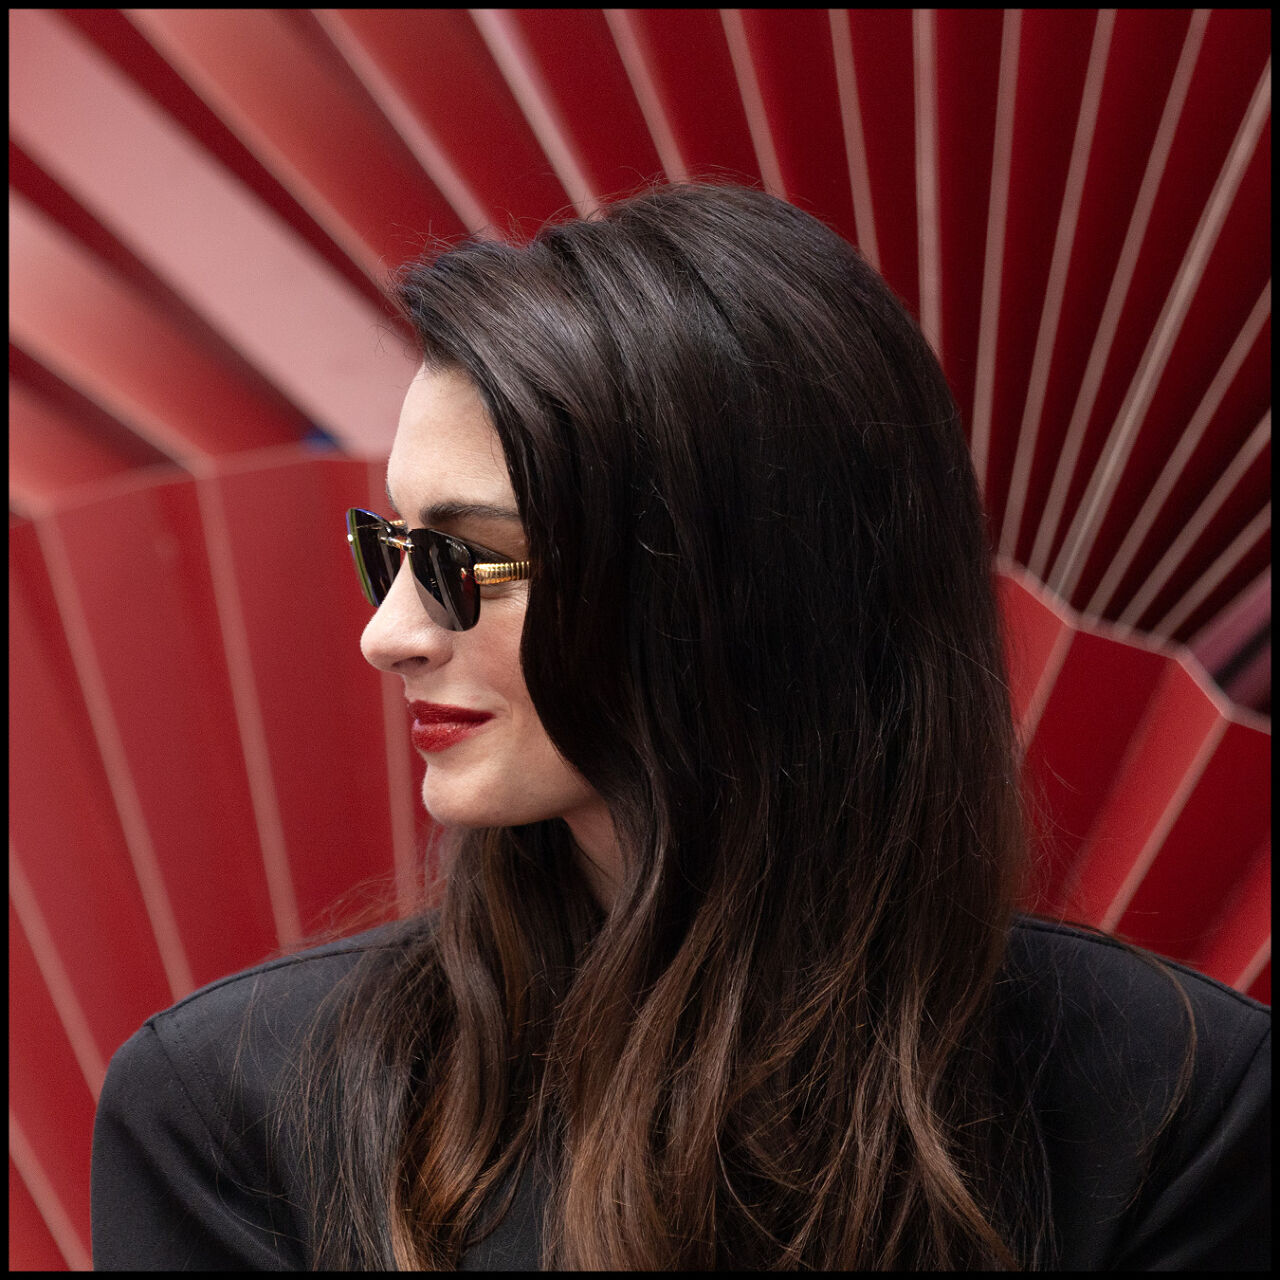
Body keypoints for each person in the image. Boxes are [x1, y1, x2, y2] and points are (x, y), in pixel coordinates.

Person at [90, 179, 1269, 1270]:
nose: (390, 633)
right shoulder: (233, 1109)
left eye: (474, 559)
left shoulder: (1175, 1103)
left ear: (732, 585)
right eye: (389, 550)